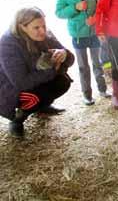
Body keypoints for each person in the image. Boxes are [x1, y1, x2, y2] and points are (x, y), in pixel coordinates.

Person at [0, 7, 74, 137]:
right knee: (35, 97)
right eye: (36, 28)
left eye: (44, 25)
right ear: (22, 27)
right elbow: (21, 83)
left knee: (64, 82)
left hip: (37, 76)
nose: (42, 31)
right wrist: (52, 71)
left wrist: (64, 54)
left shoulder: (45, 34)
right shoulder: (8, 44)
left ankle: (41, 107)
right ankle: (17, 120)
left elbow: (71, 59)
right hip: (9, 88)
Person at [56, 0, 110, 106]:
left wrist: (95, 18)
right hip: (78, 36)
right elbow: (59, 13)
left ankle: (103, 89)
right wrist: (75, 7)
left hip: (93, 34)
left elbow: (103, 7)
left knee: (97, 63)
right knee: (82, 66)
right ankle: (87, 95)